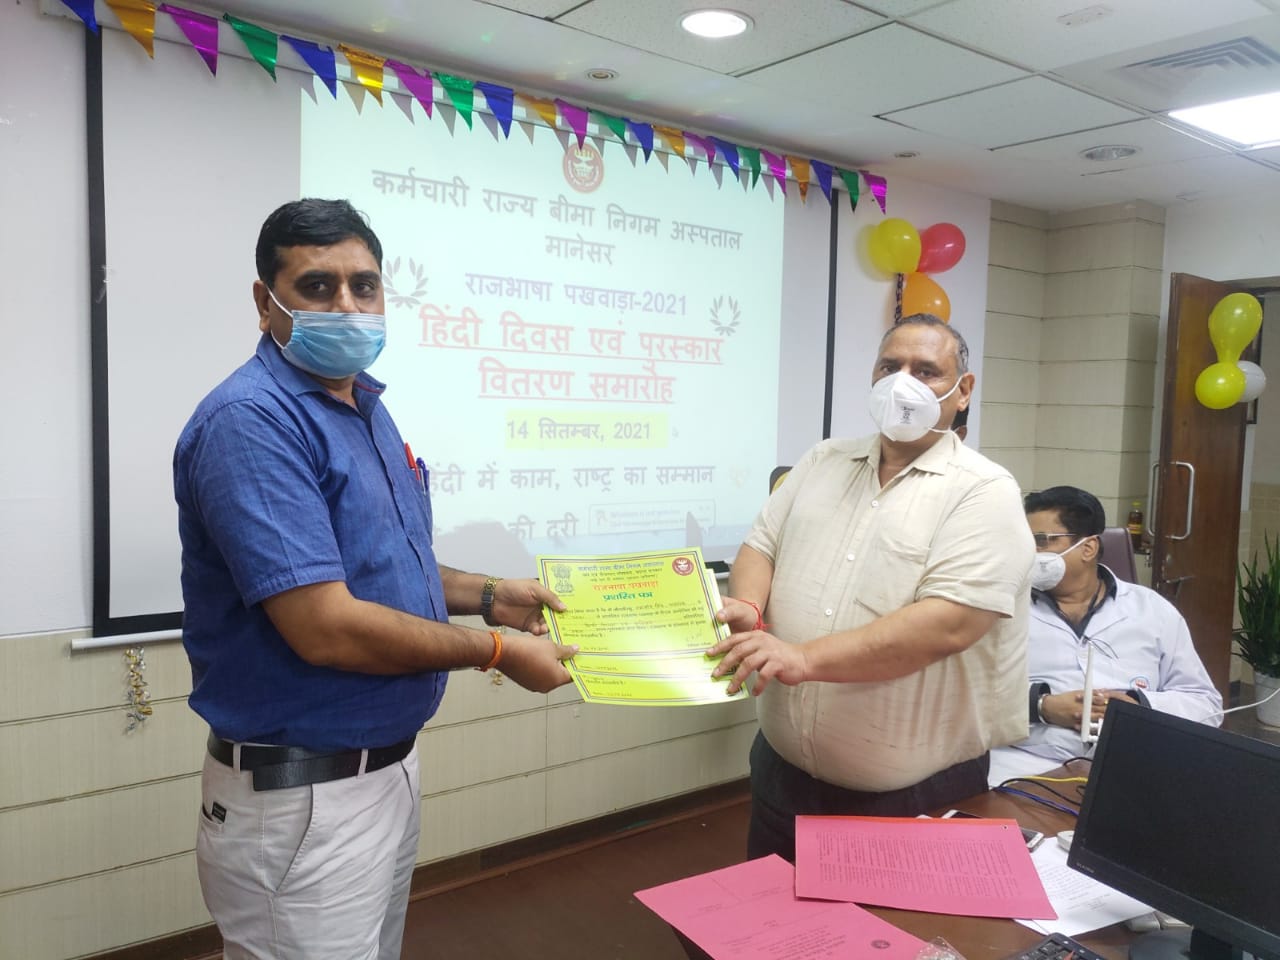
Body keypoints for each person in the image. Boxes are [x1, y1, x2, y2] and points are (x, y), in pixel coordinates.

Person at [173, 198, 576, 960]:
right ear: (265, 302)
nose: (348, 305)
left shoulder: (362, 405)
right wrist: (496, 651)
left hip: (382, 775)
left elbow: (387, 567)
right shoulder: (251, 422)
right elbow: (325, 626)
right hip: (304, 798)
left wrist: (492, 596)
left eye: (364, 285)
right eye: (317, 287)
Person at [710, 314, 1034, 862]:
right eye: (890, 367)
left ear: (963, 391)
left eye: (926, 371)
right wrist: (748, 604)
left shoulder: (983, 492)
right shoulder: (823, 460)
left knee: (884, 922)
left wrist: (802, 658)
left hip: (910, 799)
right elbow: (761, 546)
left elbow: (948, 624)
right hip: (781, 773)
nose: (903, 383)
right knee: (767, 914)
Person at [988, 485, 1221, 785]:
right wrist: (1041, 706)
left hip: (1132, 765)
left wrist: (1139, 706)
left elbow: (1206, 705)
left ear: (1088, 548)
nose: (1031, 553)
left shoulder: (1152, 610)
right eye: (1026, 542)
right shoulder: (999, 609)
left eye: (1042, 541)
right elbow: (964, 699)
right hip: (1023, 765)